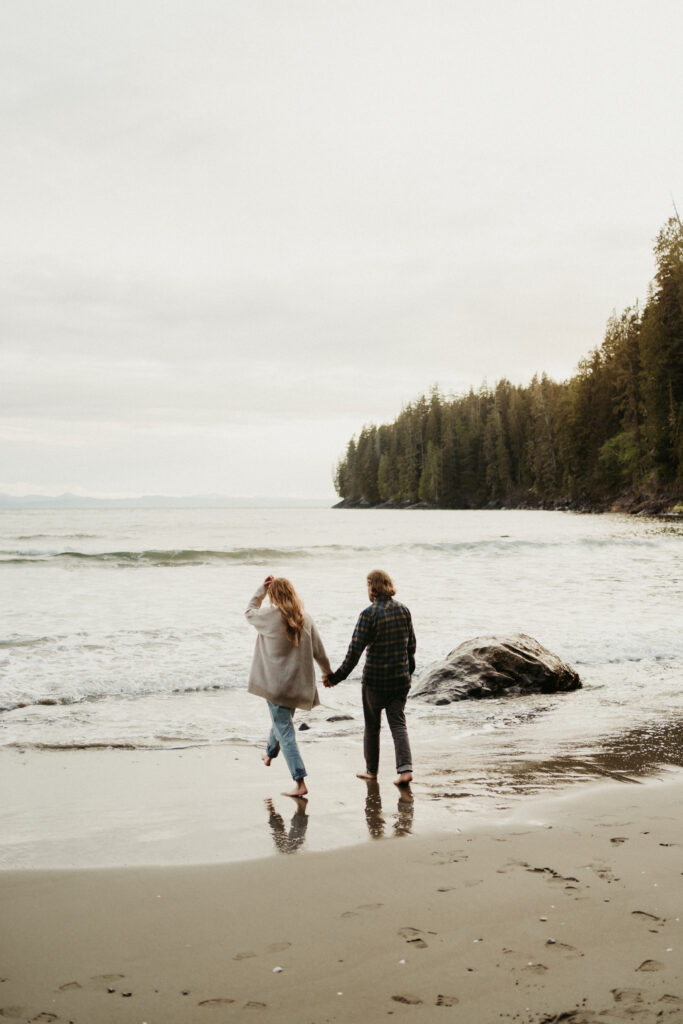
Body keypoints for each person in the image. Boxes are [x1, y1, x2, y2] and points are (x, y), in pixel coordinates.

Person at [324, 569, 416, 786]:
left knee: (372, 727)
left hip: (375, 682)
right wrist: (408, 673)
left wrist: (335, 678)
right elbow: (411, 646)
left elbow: (354, 652)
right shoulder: (404, 610)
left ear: (372, 588)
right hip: (400, 681)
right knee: (398, 723)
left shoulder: (369, 614)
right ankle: (405, 770)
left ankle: (371, 771)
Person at [246, 575, 331, 798]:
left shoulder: (268, 616)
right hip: (296, 686)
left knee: (284, 729)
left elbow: (249, 611)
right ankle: (268, 754)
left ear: (273, 595)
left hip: (275, 686)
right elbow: (319, 651)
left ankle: (299, 780)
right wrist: (327, 673)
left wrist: (261, 590)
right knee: (282, 723)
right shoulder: (306, 618)